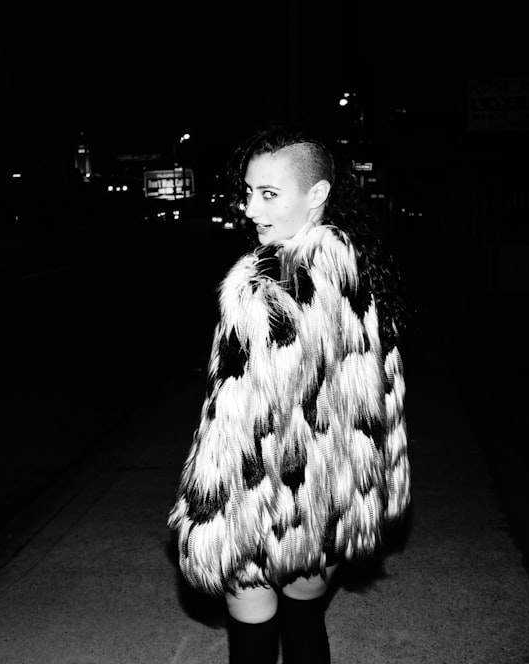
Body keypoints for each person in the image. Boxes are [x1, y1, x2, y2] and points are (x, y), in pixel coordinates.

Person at [167, 124, 411, 664]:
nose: (251, 208)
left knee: (254, 635)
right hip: (330, 498)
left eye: (269, 194)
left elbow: (235, 424)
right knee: (305, 621)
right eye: (249, 192)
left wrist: (207, 516)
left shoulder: (261, 290)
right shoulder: (359, 273)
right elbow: (378, 404)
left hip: (259, 505)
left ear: (317, 194)